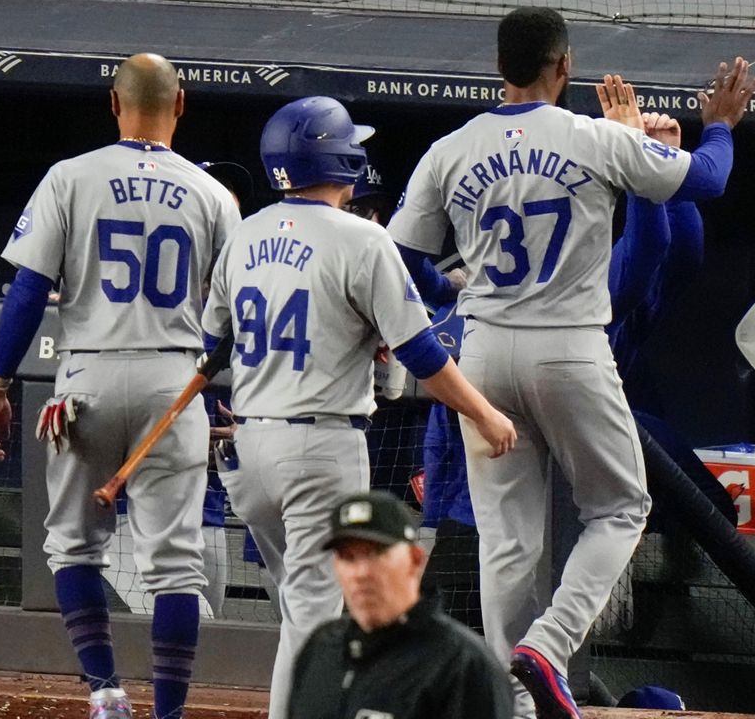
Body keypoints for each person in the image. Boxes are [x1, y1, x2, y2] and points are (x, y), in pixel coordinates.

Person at [387, 6, 755, 717]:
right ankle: (549, 647)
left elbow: (398, 262)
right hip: (568, 347)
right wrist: (719, 126)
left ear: (501, 68)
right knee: (621, 506)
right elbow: (707, 179)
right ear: (564, 65)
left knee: (508, 541)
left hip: (484, 350)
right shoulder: (594, 137)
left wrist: (451, 292)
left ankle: (517, 706)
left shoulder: (450, 148)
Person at [201, 95, 516, 719]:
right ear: (342, 159)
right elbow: (421, 351)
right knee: (316, 622)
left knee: (301, 608)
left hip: (250, 447)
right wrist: (483, 412)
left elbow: (212, 346)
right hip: (319, 448)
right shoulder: (364, 238)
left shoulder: (245, 235)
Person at [0, 53, 240, 719]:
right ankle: (169, 712)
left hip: (86, 376)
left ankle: (105, 692)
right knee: (175, 567)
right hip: (175, 381)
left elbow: (29, 290)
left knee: (71, 545)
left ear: (113, 105)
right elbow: (240, 312)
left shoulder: (71, 176)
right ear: (181, 105)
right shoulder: (214, 196)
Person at [102, 161, 253, 619]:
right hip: (132, 516)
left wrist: (245, 433)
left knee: (208, 649)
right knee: (177, 630)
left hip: (208, 514)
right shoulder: (139, 316)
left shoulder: (248, 321)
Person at [288, 491, 513, 719]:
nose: (361, 572)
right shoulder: (321, 648)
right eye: (348, 557)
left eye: (376, 554)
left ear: (415, 560)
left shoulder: (463, 665)